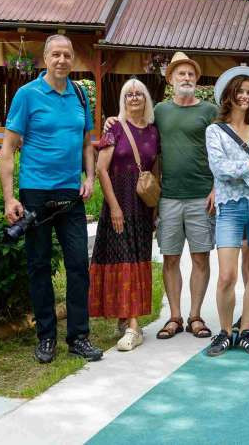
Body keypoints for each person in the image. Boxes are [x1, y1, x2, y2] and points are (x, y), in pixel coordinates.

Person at [0, 34, 102, 363]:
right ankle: (46, 338)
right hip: (35, 195)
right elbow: (7, 150)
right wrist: (9, 198)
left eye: (67, 55)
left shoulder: (80, 94)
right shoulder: (27, 95)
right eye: (55, 55)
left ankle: (78, 337)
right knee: (39, 267)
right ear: (45, 58)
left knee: (77, 266)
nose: (61, 60)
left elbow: (88, 143)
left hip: (70, 195)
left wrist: (90, 177)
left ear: (74, 60)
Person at [204, 70, 249, 357]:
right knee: (227, 275)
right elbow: (219, 169)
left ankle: (245, 330)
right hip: (230, 209)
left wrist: (244, 171)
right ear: (229, 95)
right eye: (241, 91)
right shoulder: (215, 130)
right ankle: (224, 332)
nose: (245, 96)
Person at [150, 52, 218, 341]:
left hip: (202, 195)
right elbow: (145, 141)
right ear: (170, 79)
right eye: (181, 74)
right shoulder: (160, 111)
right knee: (170, 258)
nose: (186, 78)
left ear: (197, 79)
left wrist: (218, 188)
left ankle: (196, 316)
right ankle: (175, 316)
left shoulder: (210, 111)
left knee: (201, 257)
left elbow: (222, 151)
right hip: (168, 197)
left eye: (191, 74)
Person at [89, 79, 159, 352]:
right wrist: (115, 207)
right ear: (123, 99)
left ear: (146, 99)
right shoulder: (115, 127)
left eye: (139, 93)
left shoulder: (154, 131)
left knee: (137, 258)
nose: (133, 98)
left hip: (142, 205)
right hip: (119, 201)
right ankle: (132, 326)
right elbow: (100, 169)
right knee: (124, 257)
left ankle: (127, 318)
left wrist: (154, 207)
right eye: (128, 94)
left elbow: (156, 169)